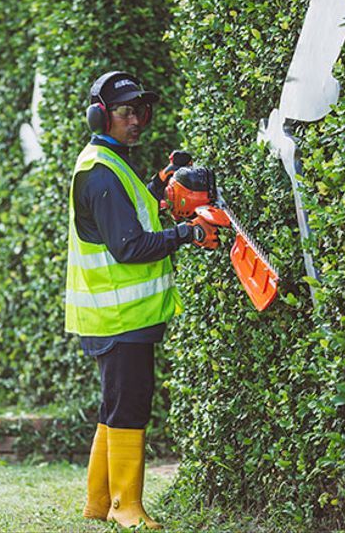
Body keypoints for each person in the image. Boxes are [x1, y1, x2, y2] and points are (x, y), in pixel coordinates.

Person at [64, 71, 218, 529]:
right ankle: (126, 506)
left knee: (115, 405)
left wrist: (160, 182)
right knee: (130, 405)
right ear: (100, 116)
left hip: (115, 315)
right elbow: (129, 246)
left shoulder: (110, 165)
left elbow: (134, 214)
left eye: (140, 112)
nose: (136, 121)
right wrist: (188, 233)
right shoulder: (101, 174)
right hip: (118, 315)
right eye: (125, 112)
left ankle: (98, 502)